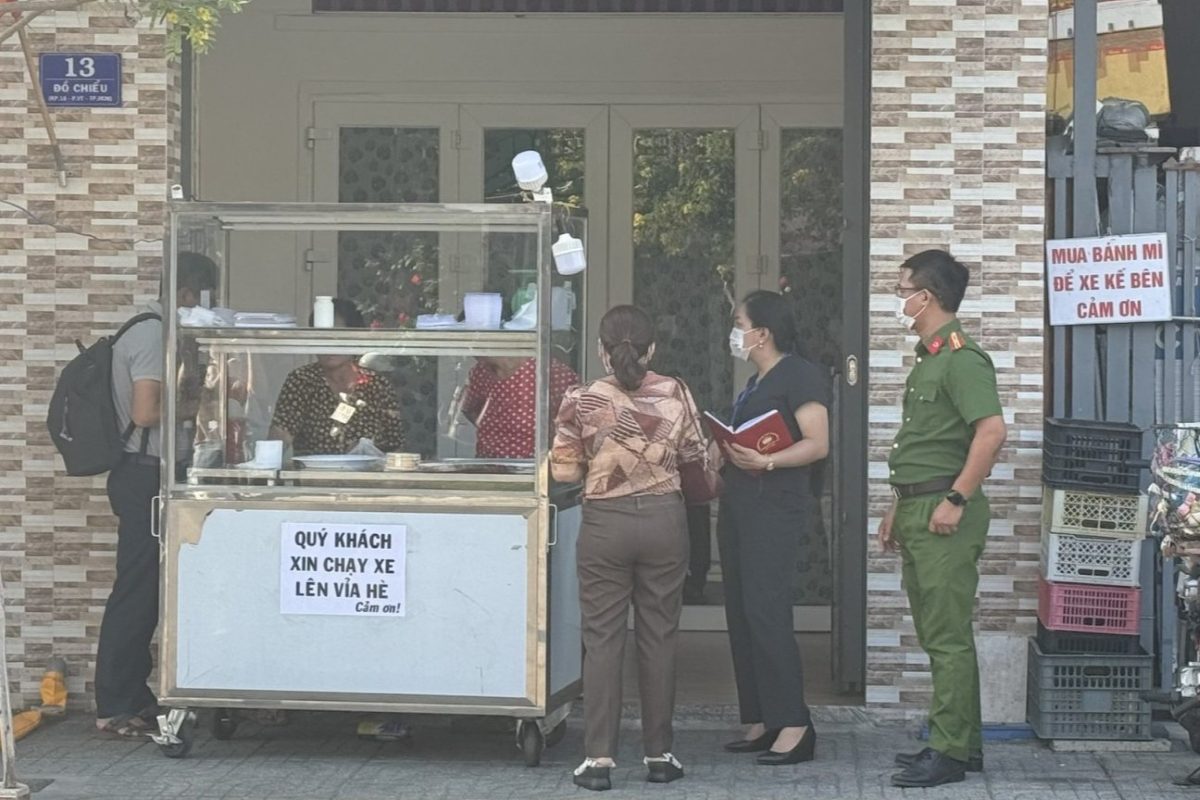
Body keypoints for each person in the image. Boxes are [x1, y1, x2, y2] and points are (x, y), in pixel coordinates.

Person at [551, 305, 705, 792]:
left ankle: (598, 760)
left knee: (602, 639)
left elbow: (564, 472)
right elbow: (696, 457)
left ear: (601, 350)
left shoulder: (581, 399)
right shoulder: (676, 392)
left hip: (605, 526)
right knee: (658, 637)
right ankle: (660, 754)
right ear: (652, 349)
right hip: (664, 520)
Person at [879, 250, 1006, 789]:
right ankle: (962, 742)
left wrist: (956, 498)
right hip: (919, 506)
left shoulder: (960, 358)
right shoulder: (929, 358)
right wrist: (896, 506)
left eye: (902, 287)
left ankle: (949, 750)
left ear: (925, 296)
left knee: (946, 634)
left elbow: (991, 431)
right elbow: (924, 445)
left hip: (943, 511)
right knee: (939, 631)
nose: (898, 297)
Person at [95, 251, 218, 738]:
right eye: (203, 297)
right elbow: (147, 412)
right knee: (138, 587)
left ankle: (135, 693)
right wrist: (199, 406)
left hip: (161, 471)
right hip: (144, 474)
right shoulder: (150, 332)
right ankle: (114, 702)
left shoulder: (166, 330)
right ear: (188, 293)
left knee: (153, 590)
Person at [718, 290, 829, 766]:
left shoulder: (800, 374)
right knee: (742, 612)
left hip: (774, 507)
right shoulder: (755, 380)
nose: (734, 330)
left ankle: (795, 723)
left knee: (766, 611)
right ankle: (761, 716)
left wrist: (766, 461)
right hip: (741, 505)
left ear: (761, 332)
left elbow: (817, 443)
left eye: (738, 321)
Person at [269, 299, 405, 456]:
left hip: (367, 478)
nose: (329, 344)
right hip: (315, 477)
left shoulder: (376, 384)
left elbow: (395, 446)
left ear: (355, 338)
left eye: (338, 336)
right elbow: (280, 435)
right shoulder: (302, 380)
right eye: (322, 336)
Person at [461, 356, 578, 459]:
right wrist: (491, 428)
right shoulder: (480, 371)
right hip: (488, 461)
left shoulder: (551, 371)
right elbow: (469, 407)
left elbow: (573, 418)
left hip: (536, 464)